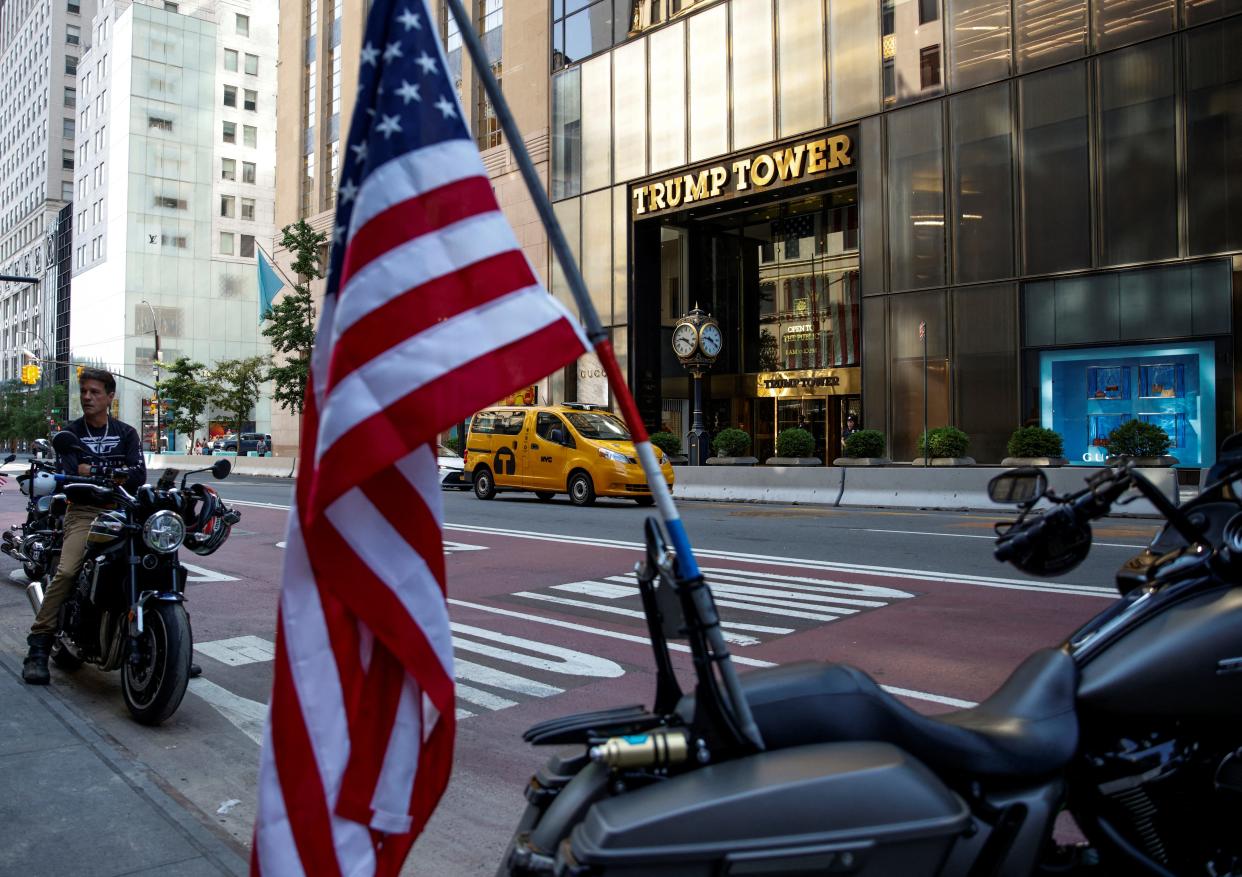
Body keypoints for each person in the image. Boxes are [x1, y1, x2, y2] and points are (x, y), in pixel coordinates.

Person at [22, 368, 145, 685]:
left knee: (151, 561)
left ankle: (167, 642)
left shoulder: (127, 433)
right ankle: (38, 647)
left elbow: (138, 475)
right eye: (84, 391)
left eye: (95, 392)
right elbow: (72, 470)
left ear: (110, 397)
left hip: (121, 510)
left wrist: (97, 468)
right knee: (66, 572)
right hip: (84, 510)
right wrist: (114, 471)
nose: (88, 397)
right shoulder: (71, 433)